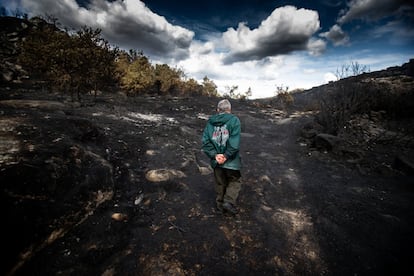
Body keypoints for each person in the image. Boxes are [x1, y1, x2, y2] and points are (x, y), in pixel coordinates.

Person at [201, 99, 242, 215]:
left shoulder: (210, 122)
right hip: (231, 160)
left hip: (216, 161)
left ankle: (220, 207)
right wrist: (226, 155)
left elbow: (205, 142)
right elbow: (234, 143)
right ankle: (228, 202)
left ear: (217, 110)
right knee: (235, 180)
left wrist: (215, 155)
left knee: (220, 182)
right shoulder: (234, 120)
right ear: (230, 110)